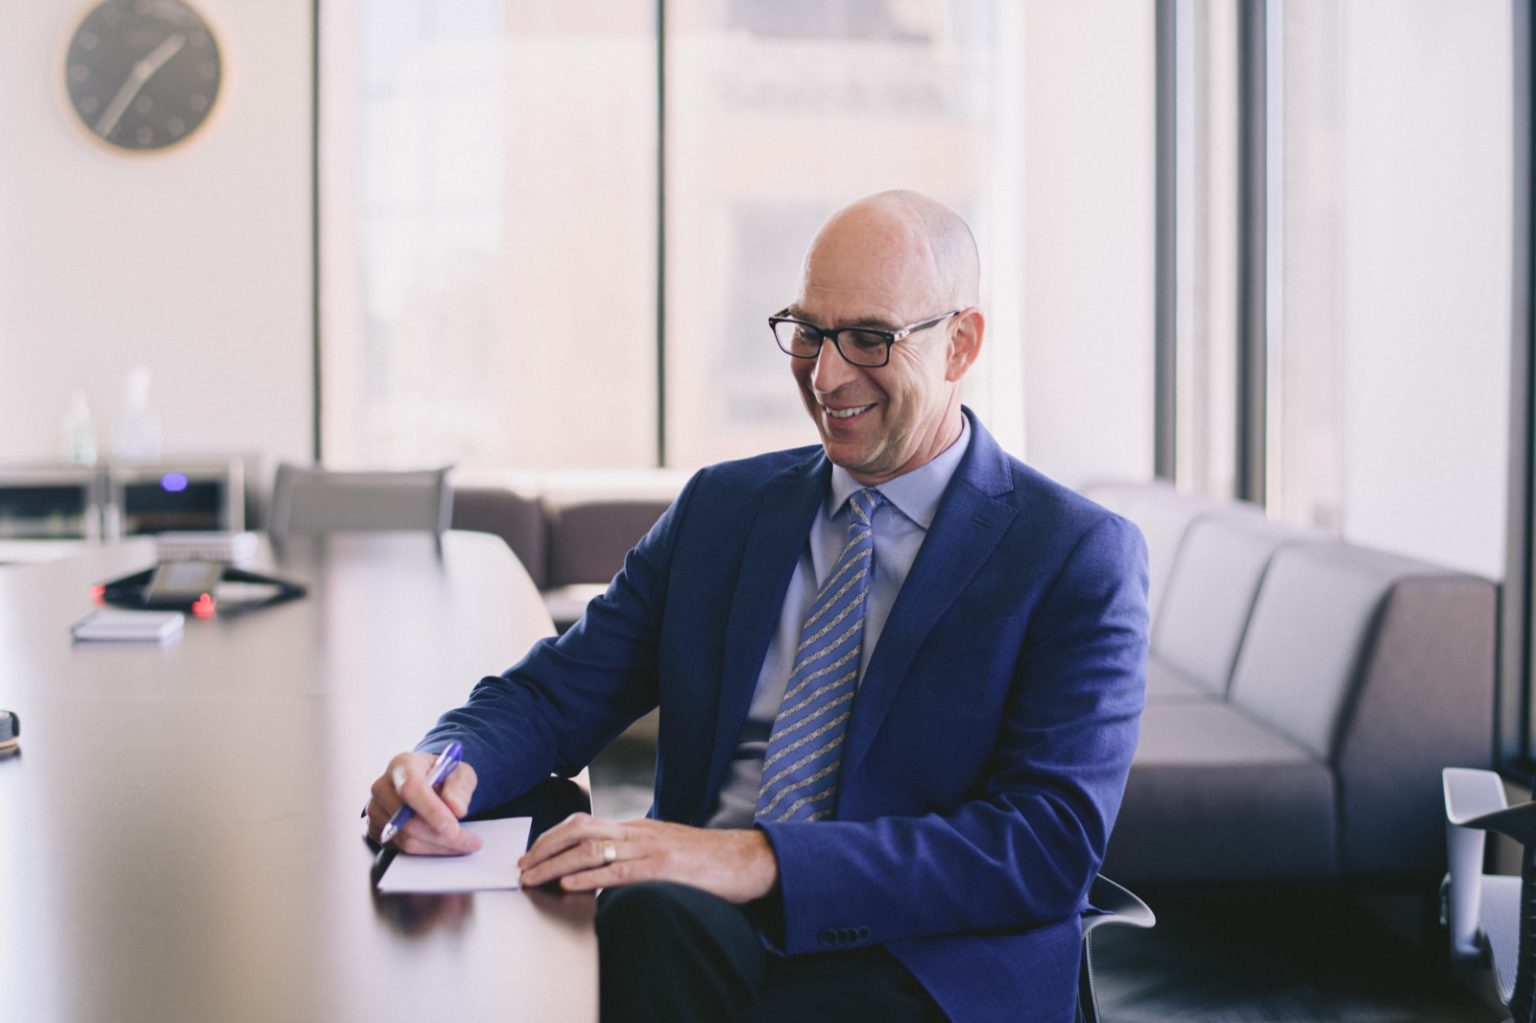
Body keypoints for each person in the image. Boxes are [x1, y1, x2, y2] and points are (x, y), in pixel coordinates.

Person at [365, 190, 1149, 1022]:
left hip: (924, 960)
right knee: (616, 922)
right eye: (810, 331)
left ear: (961, 344)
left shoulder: (1072, 552)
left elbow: (1043, 845)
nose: (827, 373)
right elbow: (555, 692)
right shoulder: (722, 510)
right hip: (691, 922)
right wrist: (447, 764)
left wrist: (757, 857)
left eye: (869, 339)